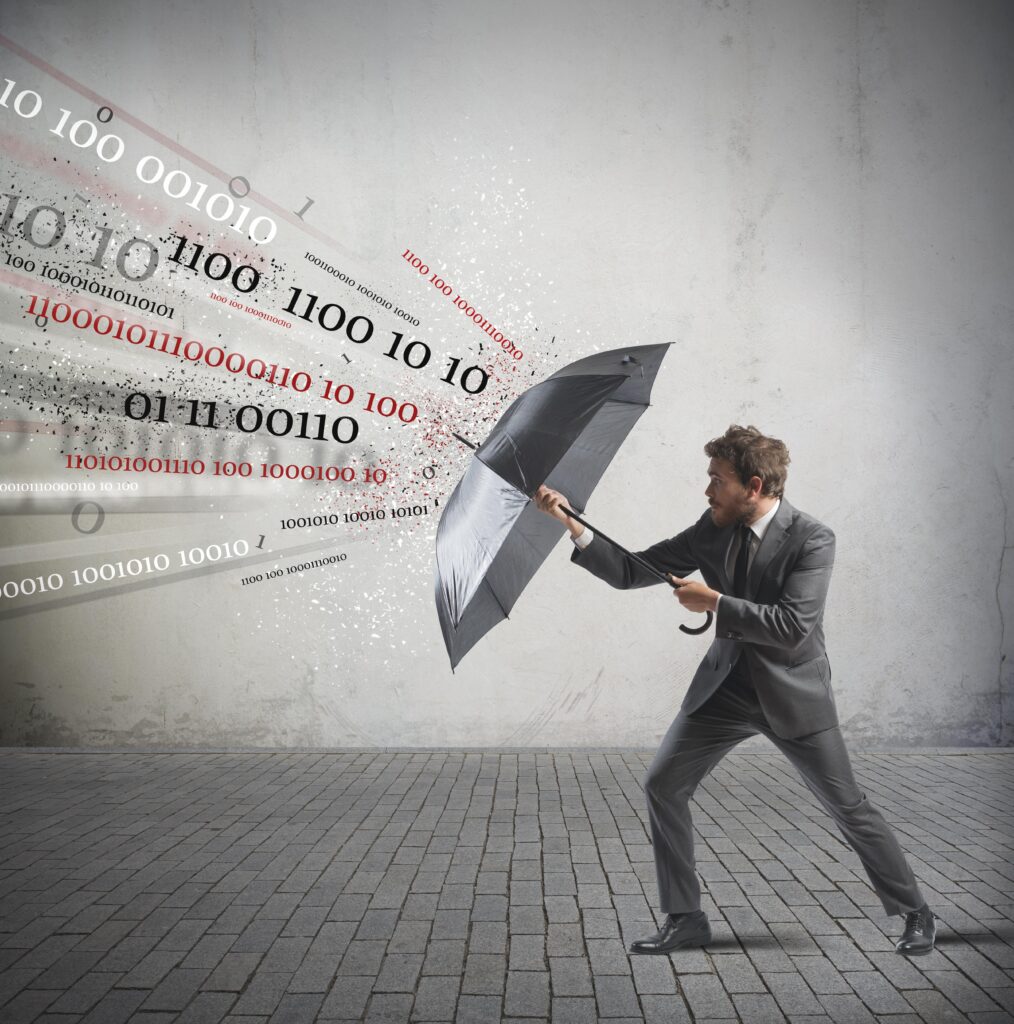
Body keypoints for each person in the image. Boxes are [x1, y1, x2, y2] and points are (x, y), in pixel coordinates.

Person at [534, 424, 937, 956]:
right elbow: (633, 570)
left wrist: (715, 603)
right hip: (724, 691)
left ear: (753, 485)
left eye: (716, 480)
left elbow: (794, 625)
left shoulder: (813, 538)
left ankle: (916, 912)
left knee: (848, 805)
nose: (707, 491)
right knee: (664, 785)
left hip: (793, 695)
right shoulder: (713, 526)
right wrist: (571, 524)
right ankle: (685, 918)